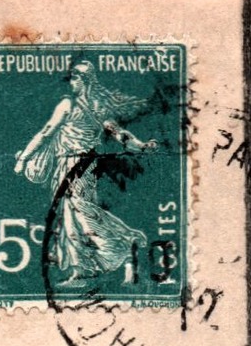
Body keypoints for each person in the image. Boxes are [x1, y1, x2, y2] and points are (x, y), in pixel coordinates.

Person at [14, 60, 159, 285]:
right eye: (71, 78)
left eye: (75, 78)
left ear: (85, 81)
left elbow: (46, 133)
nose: (71, 82)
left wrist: (24, 157)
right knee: (74, 213)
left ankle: (111, 249)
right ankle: (88, 265)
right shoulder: (98, 108)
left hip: (75, 165)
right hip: (81, 167)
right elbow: (120, 135)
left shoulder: (68, 105)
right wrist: (139, 146)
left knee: (75, 212)